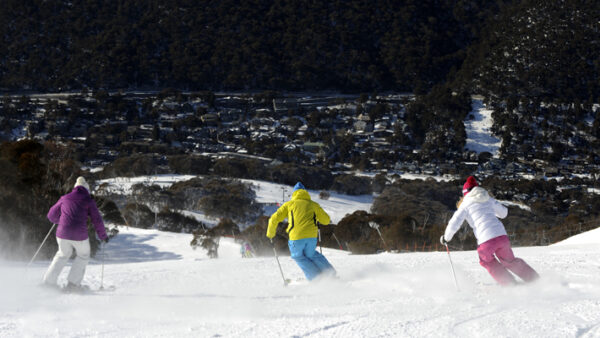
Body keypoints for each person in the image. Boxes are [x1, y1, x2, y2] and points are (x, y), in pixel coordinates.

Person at [440, 176, 539, 286]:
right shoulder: (487, 199)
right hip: (502, 236)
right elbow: (504, 213)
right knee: (509, 261)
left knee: (486, 260)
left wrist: (446, 237)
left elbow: (454, 222)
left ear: (465, 193)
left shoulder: (465, 204)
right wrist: (489, 211)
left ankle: (509, 283)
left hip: (486, 240)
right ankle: (534, 279)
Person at [43, 176, 109, 291]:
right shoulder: (88, 200)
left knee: (62, 255)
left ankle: (49, 282)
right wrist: (103, 236)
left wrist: (61, 221)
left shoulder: (65, 198)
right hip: (79, 236)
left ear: (75, 187)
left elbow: (51, 215)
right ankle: (73, 285)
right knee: (83, 256)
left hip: (62, 234)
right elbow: (97, 220)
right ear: (87, 190)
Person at [266, 182, 335, 281]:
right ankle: (330, 273)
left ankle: (316, 278)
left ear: (294, 193)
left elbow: (273, 219)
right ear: (305, 192)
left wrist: (270, 234)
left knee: (298, 257)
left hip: (296, 237)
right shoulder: (313, 205)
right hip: (311, 237)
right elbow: (326, 220)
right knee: (311, 254)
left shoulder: (289, 205)